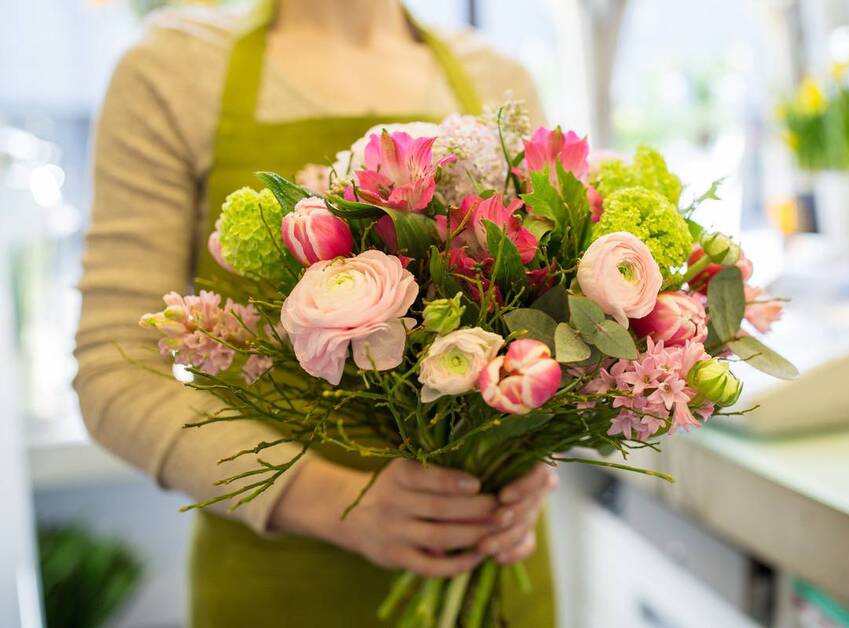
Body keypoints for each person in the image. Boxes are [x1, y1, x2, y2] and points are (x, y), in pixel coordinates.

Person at [74, 0, 557, 625]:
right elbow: (115, 369)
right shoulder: (175, 69)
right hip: (283, 589)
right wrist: (333, 501)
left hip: (498, 585)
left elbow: (547, 313)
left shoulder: (497, 79)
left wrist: (534, 455)